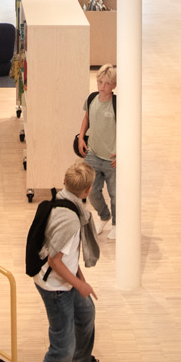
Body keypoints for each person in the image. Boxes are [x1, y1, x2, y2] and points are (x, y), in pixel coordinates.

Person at [21, 160, 113, 362]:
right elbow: (55, 261)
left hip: (65, 281)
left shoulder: (64, 201)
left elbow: (68, 257)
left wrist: (80, 279)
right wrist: (80, 284)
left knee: (86, 313)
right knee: (62, 348)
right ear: (88, 190)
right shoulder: (70, 220)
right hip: (55, 288)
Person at [77, 64, 118, 241]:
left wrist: (122, 152)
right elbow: (86, 118)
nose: (102, 86)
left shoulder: (117, 104)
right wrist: (81, 137)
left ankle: (116, 224)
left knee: (115, 194)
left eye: (107, 83)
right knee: (91, 191)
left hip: (111, 158)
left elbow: (127, 129)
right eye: (100, 82)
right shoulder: (91, 99)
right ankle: (104, 216)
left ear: (114, 85)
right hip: (92, 154)